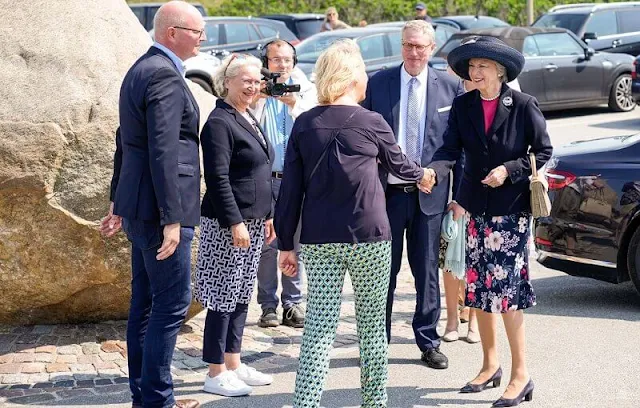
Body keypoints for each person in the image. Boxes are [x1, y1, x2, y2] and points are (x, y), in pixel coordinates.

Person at [274, 39, 432, 408]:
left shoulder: (304, 124)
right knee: (372, 327)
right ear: (349, 78)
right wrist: (425, 174)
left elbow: (290, 190)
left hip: (318, 239)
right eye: (361, 74)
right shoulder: (371, 121)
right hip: (369, 237)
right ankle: (374, 403)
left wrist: (286, 244)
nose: (366, 81)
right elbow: (401, 166)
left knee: (319, 328)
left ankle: (306, 404)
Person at [425, 35, 553, 407]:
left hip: (510, 214)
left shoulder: (523, 105)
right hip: (474, 209)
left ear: (499, 71)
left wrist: (510, 170)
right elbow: (449, 149)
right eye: (471, 67)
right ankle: (490, 364)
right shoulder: (463, 105)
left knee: (509, 296)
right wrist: (433, 171)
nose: (473, 72)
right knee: (479, 292)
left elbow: (543, 150)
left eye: (481, 66)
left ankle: (520, 375)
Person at [100, 2, 204, 407]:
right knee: (171, 305)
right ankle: (158, 400)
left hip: (140, 207)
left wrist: (118, 201)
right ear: (173, 32)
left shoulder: (141, 68)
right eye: (197, 32)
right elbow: (162, 150)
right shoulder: (162, 73)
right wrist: (172, 219)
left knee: (144, 304)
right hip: (161, 212)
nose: (202, 39)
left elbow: (125, 142)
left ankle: (144, 396)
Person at [361, 19, 464, 370]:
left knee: (426, 272)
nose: (414, 52)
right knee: (381, 274)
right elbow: (365, 139)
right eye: (408, 45)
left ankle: (428, 340)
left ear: (432, 48)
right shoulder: (378, 83)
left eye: (421, 46)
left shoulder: (451, 87)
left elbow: (455, 146)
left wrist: (447, 184)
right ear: (400, 45)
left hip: (430, 196)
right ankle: (378, 343)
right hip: (385, 195)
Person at [195, 53, 276, 397]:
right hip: (229, 224)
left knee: (242, 294)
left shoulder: (247, 116)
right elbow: (217, 178)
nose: (252, 87)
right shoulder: (218, 121)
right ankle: (214, 371)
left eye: (257, 82)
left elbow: (260, 171)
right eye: (246, 81)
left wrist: (268, 214)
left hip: (254, 222)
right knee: (222, 296)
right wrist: (235, 222)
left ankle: (233, 361)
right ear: (227, 81)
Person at [250, 39, 317, 329]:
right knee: (267, 244)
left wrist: (294, 103)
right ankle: (268, 305)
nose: (283, 66)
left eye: (288, 60)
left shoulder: (306, 89)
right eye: (276, 60)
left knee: (295, 242)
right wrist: (261, 95)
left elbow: (315, 124)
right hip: (267, 179)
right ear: (266, 62)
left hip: (297, 181)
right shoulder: (256, 89)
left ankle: (293, 303)